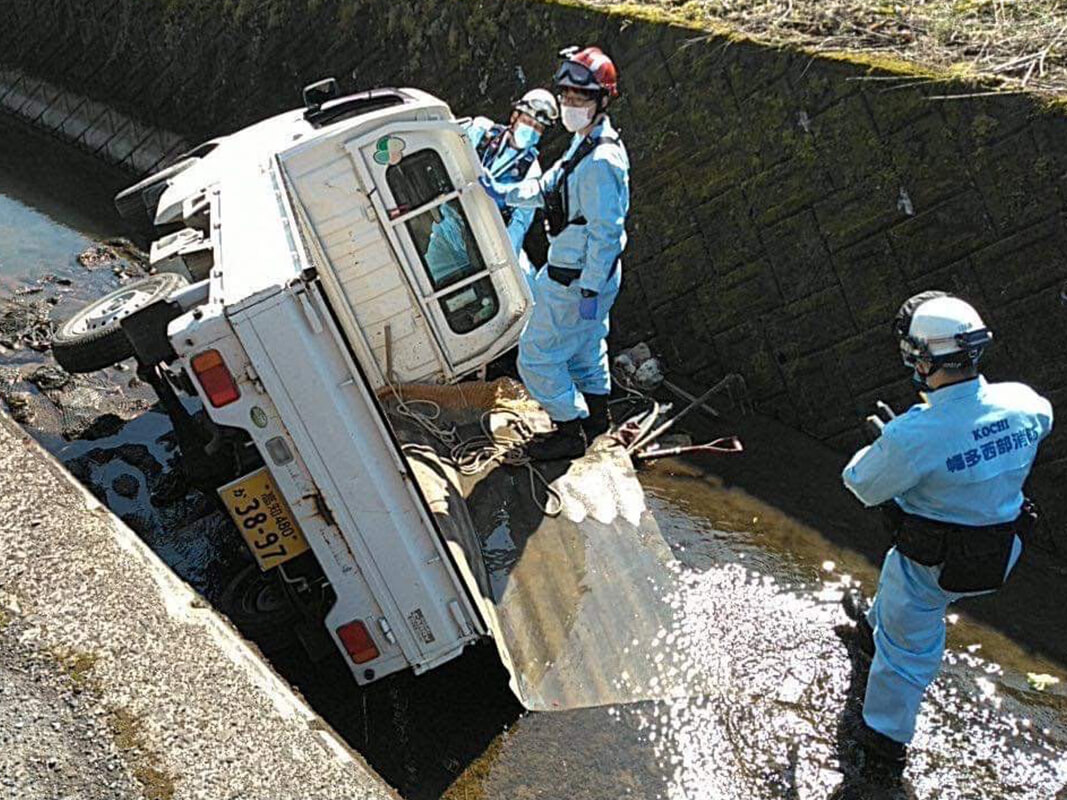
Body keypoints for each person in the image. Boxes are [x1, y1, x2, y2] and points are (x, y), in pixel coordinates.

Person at [841, 291, 1053, 766]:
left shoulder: (914, 435)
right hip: (1002, 551)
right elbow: (1029, 426)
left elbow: (860, 484)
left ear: (919, 359)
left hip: (934, 565)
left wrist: (894, 445)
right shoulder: (1024, 402)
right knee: (900, 599)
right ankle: (872, 627)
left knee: (907, 652)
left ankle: (882, 745)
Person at [494, 46, 630, 461]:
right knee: (588, 346)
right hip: (590, 278)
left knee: (535, 357)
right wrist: (503, 192)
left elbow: (608, 233)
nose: (570, 105)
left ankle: (568, 430)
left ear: (601, 101)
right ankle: (596, 420)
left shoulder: (602, 160)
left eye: (580, 98)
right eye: (566, 97)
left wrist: (588, 287)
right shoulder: (585, 144)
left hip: (576, 279)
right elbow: (548, 187)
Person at [468, 89, 558, 281]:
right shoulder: (481, 131)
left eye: (538, 128)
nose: (532, 130)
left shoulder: (533, 174)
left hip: (484, 235)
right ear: (514, 116)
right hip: (450, 218)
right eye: (528, 121)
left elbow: (519, 222)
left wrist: (501, 262)